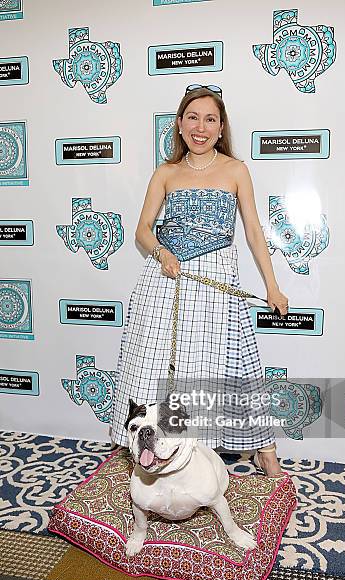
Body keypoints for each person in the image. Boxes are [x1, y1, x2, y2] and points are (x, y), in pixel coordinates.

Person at [111, 86, 289, 477]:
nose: (201, 127)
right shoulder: (166, 172)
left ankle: (263, 449)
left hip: (216, 283)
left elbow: (255, 233)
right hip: (165, 283)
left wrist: (273, 286)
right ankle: (153, 452)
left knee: (236, 368)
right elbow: (142, 229)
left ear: (222, 127)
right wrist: (161, 252)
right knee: (154, 369)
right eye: (192, 117)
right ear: (179, 123)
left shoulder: (236, 170)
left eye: (210, 119)